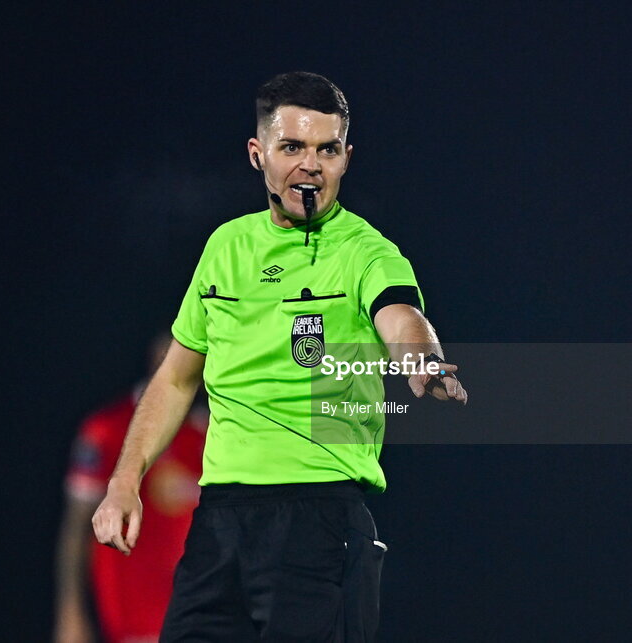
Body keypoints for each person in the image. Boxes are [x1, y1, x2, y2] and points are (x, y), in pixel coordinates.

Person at [92, 71, 467, 642]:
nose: (310, 165)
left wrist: (423, 360)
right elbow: (174, 379)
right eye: (292, 147)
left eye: (327, 149)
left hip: (319, 522)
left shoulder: (365, 251)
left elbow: (401, 317)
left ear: (346, 157)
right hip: (218, 525)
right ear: (258, 153)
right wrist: (124, 482)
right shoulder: (226, 247)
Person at [54, 334, 207, 643]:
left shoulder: (211, 431)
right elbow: (76, 527)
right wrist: (71, 614)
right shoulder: (108, 428)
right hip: (133, 620)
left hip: (197, 614)